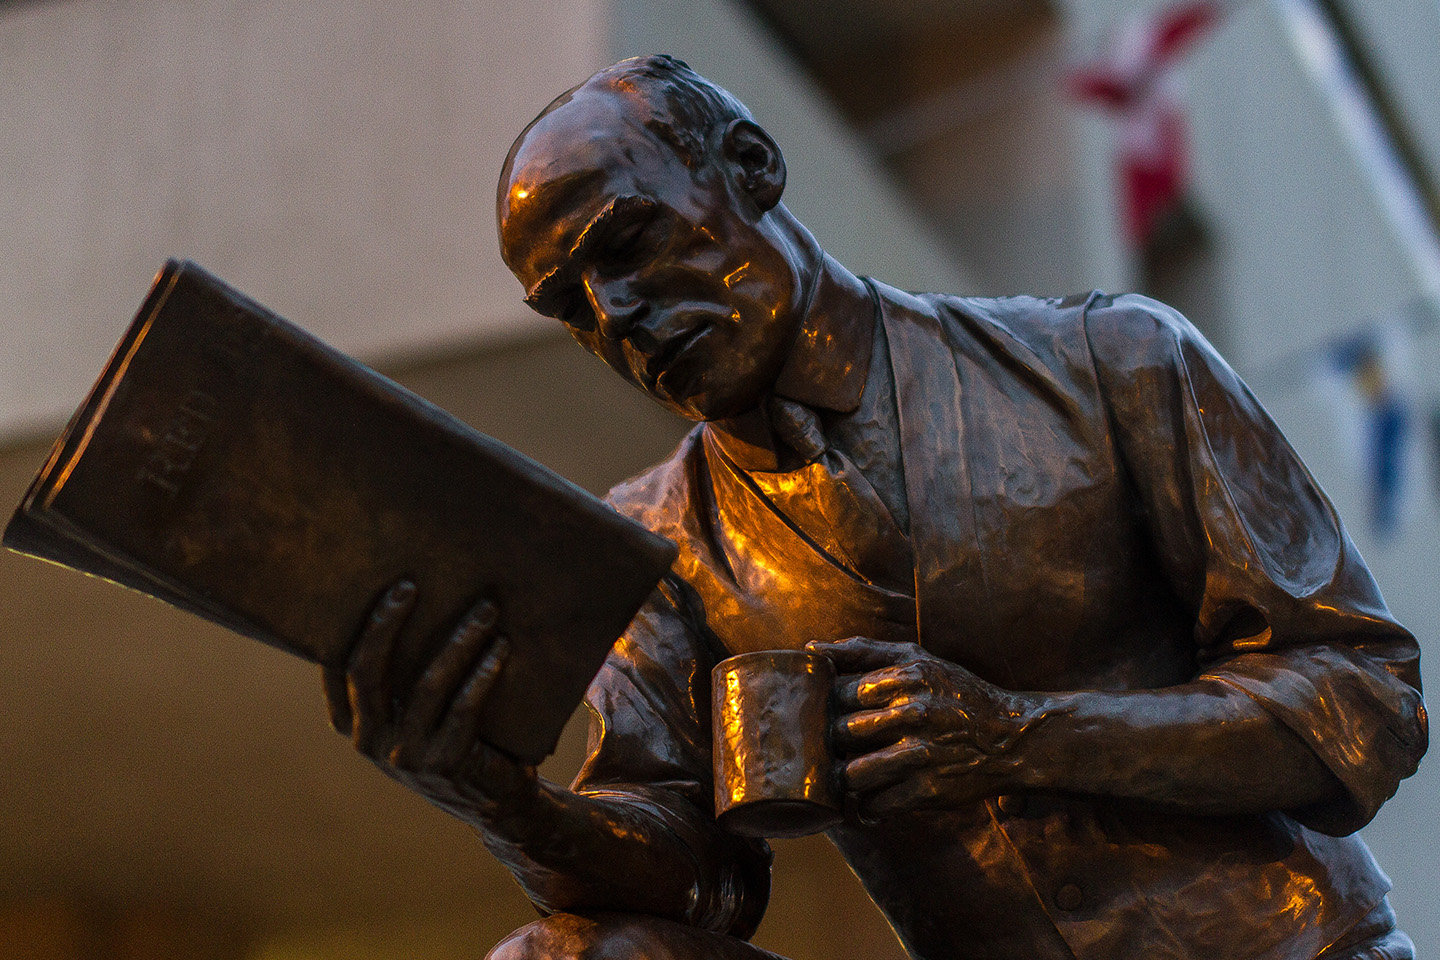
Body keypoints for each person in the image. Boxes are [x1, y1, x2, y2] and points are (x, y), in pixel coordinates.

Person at [323, 56, 1428, 960]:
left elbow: (1364, 704)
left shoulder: (1112, 363)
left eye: (628, 240)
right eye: (571, 304)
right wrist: (496, 797)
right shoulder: (658, 538)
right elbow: (696, 882)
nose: (617, 312)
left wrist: (1023, 738)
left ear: (750, 166)